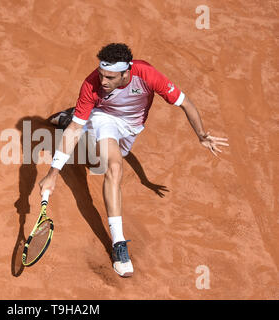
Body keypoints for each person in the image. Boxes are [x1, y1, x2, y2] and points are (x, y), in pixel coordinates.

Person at [39, 43, 229, 277]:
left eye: (110, 77)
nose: (103, 81)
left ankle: (74, 114)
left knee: (101, 151)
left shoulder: (147, 75)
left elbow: (185, 103)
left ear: (126, 72)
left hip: (132, 126)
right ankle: (118, 243)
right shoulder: (91, 84)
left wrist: (201, 135)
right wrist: (52, 174)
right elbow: (74, 132)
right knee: (114, 166)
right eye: (101, 75)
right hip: (105, 117)